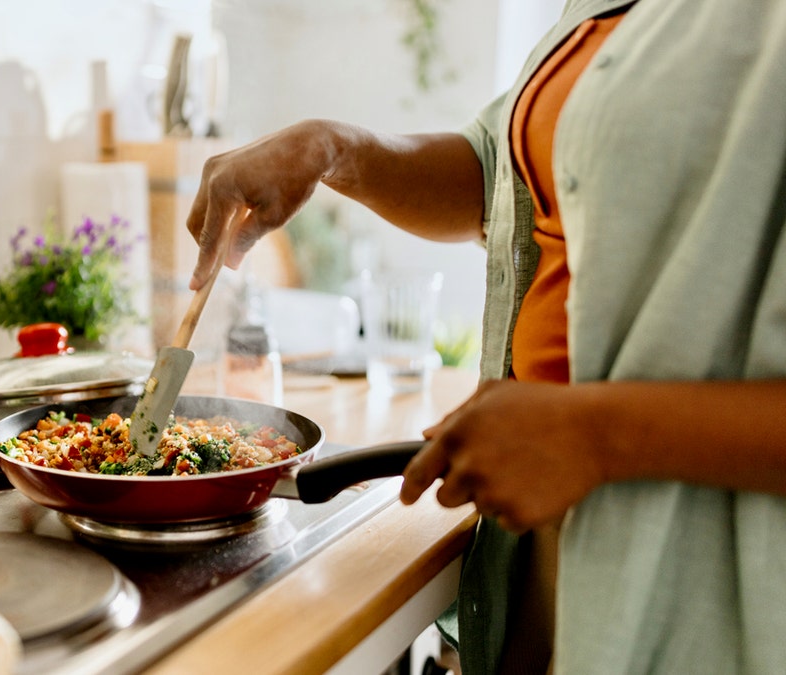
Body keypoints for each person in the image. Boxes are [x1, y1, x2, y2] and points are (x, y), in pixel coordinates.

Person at [183, 0, 786, 673]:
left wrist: (595, 433)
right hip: (546, 537)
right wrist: (332, 147)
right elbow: (501, 171)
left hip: (705, 573)